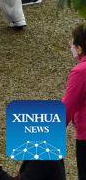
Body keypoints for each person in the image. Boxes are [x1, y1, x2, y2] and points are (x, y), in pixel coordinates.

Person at [64, 25, 86, 178]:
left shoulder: (80, 72)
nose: (70, 45)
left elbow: (66, 109)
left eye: (73, 42)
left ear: (79, 48)